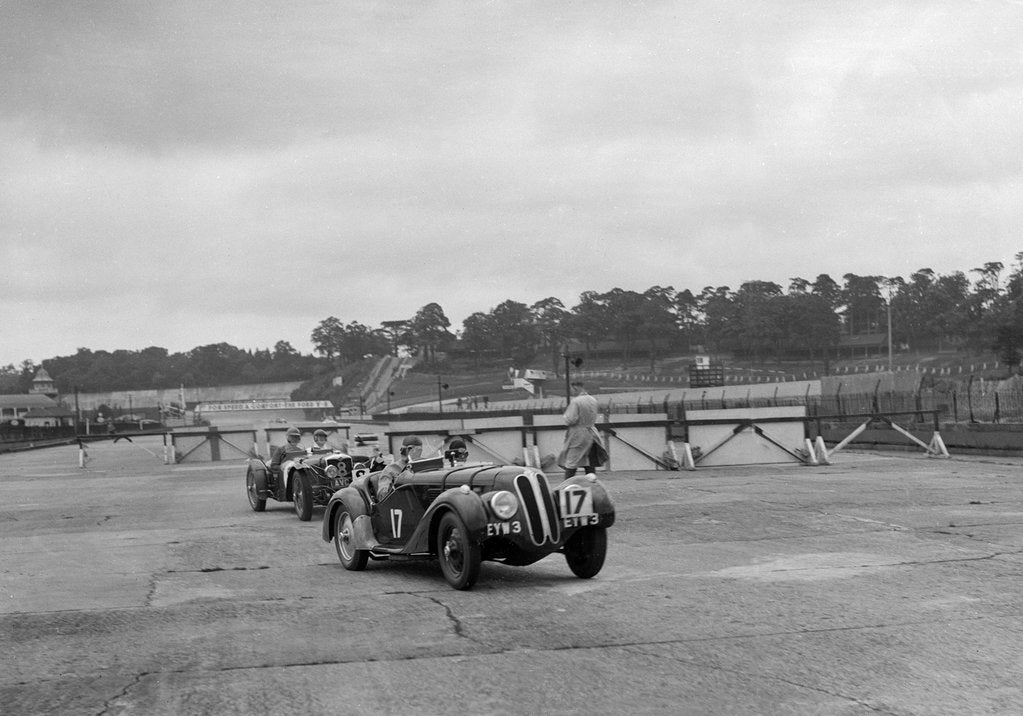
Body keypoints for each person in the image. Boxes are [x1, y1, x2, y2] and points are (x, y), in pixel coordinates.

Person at [557, 382, 600, 480]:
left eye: (572, 389)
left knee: (571, 460)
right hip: (592, 432)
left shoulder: (576, 401)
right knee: (589, 461)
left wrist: (565, 418)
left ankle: (567, 485)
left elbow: (570, 419)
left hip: (578, 434)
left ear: (575, 388)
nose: (571, 391)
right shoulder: (593, 400)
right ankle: (591, 484)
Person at [370, 435, 422, 502]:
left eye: (417, 450)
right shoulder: (391, 469)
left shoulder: (424, 466)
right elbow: (382, 496)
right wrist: (398, 482)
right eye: (409, 450)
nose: (414, 453)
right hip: (401, 503)